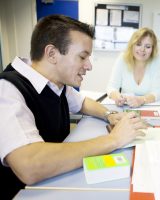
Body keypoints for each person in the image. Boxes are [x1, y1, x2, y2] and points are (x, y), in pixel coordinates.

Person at [0, 15, 147, 199]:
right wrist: (114, 139)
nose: (89, 66)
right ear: (52, 54)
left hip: (56, 180)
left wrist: (109, 115)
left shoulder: (56, 84)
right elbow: (29, 165)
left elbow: (82, 102)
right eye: (82, 57)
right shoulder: (7, 90)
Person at [106, 27, 160, 108]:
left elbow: (158, 91)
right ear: (132, 45)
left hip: (148, 106)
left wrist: (141, 100)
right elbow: (111, 87)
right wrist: (117, 97)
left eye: (147, 46)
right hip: (126, 106)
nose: (142, 50)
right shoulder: (122, 58)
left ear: (153, 49)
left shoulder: (156, 61)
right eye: (138, 44)